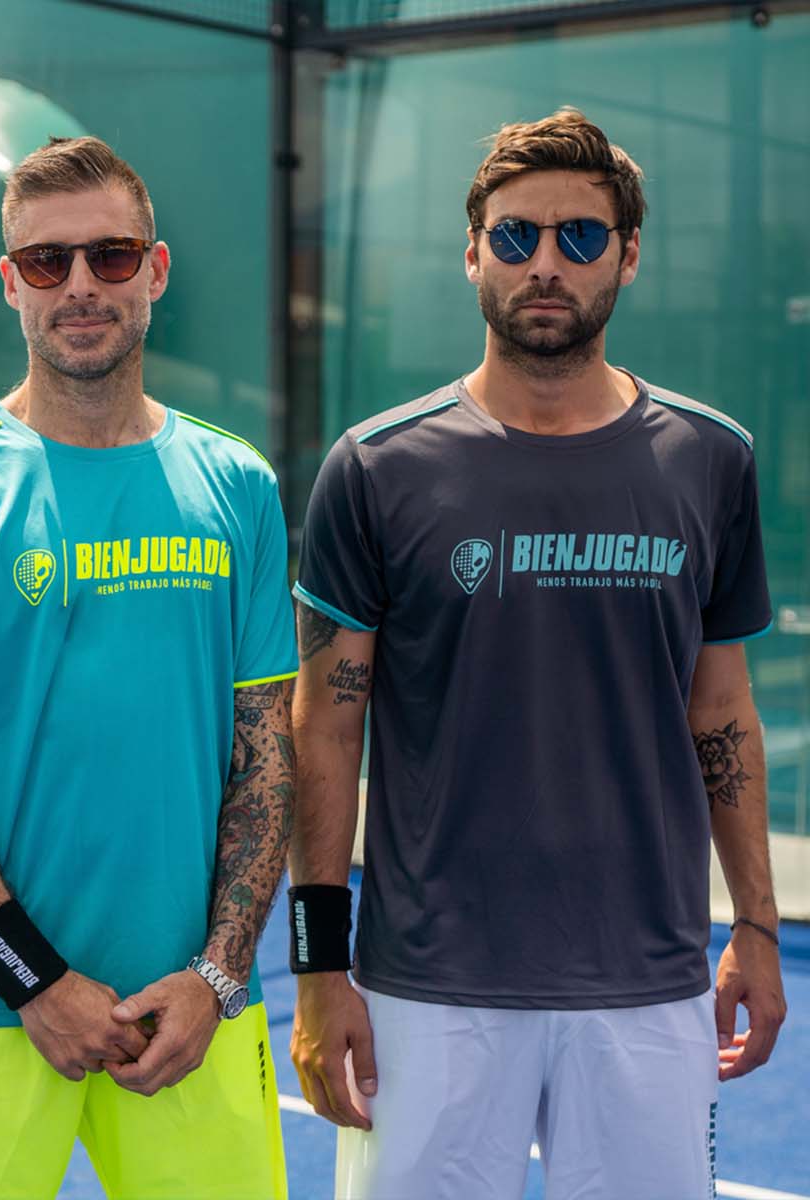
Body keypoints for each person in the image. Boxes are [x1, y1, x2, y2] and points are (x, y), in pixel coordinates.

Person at [288, 108, 785, 1199]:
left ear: (628, 255)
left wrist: (754, 921)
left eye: (579, 236)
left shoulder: (712, 461)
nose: (545, 264)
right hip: (426, 989)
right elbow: (324, 725)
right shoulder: (373, 468)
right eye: (515, 237)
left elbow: (721, 710)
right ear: (472, 254)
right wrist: (319, 963)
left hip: (648, 985)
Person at [0, 135, 298, 1200]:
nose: (82, 286)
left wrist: (218, 977)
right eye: (48, 262)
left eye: (111, 255)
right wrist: (34, 982)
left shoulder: (237, 485)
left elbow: (266, 754)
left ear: (155, 270)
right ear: (12, 283)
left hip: (184, 1013)